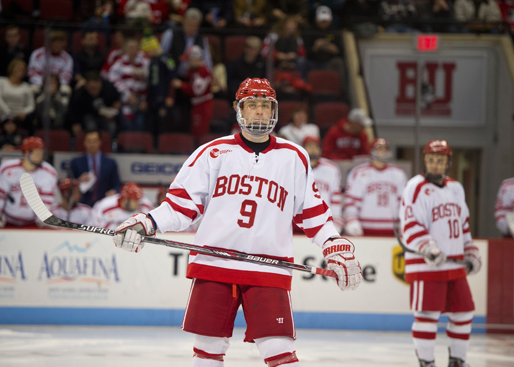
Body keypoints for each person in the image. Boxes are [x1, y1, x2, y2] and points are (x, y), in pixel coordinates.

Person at [112, 77, 362, 366]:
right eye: (252, 105)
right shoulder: (212, 153)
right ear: (238, 109)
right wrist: (147, 222)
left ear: (274, 110)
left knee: (280, 349)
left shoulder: (294, 157)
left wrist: (334, 244)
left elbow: (314, 215)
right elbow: (180, 207)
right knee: (208, 347)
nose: (259, 112)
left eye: (265, 106)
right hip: (215, 265)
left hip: (268, 267)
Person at [399, 139, 482, 367]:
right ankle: (427, 362)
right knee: (427, 315)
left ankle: (457, 360)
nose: (435, 165)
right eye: (431, 160)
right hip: (426, 264)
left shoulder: (456, 187)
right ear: (425, 161)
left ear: (448, 162)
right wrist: (428, 247)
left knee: (464, 312)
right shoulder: (415, 186)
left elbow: (463, 225)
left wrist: (470, 250)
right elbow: (410, 224)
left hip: (454, 265)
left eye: (440, 160)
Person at [343, 138, 407, 236]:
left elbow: (404, 203)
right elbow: (351, 203)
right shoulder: (358, 173)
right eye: (379, 149)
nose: (383, 152)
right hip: (365, 232)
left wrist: (404, 224)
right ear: (371, 151)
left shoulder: (399, 174)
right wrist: (352, 222)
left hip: (392, 233)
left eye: (385, 149)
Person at [0, 136, 58, 227]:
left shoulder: (49, 173)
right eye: (37, 153)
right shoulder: (7, 168)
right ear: (26, 152)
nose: (40, 156)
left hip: (31, 223)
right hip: (7, 221)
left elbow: (46, 200)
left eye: (41, 152)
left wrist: (43, 219)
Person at [170, 45, 213, 140]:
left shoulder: (203, 71)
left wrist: (181, 85)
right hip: (197, 105)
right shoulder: (195, 71)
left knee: (200, 133)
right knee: (195, 130)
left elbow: (197, 90)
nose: (187, 63)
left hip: (202, 106)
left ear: (195, 59)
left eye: (189, 60)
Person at [70, 129, 121, 206]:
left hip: (103, 203)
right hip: (81, 204)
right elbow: (68, 184)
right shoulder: (76, 162)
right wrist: (78, 181)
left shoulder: (110, 163)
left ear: (100, 142)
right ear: (84, 143)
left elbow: (117, 184)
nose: (92, 144)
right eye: (89, 141)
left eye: (94, 141)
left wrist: (113, 191)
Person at [107, 36, 149, 131]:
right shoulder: (119, 63)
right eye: (130, 47)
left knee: (140, 126)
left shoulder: (145, 62)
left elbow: (151, 80)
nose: (132, 50)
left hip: (141, 101)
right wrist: (127, 94)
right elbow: (112, 79)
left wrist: (144, 77)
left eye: (135, 47)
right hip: (125, 101)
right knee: (127, 126)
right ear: (125, 49)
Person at [304, 135, 343, 233]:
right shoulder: (294, 167)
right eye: (309, 146)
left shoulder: (332, 169)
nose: (313, 150)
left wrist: (336, 221)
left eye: (316, 147)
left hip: (324, 222)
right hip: (299, 222)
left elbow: (335, 198)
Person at [67, 71, 121, 137]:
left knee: (112, 126)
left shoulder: (108, 87)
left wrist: (113, 112)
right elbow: (73, 112)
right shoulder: (79, 94)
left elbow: (117, 102)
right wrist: (76, 127)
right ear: (86, 85)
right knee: (91, 126)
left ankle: (108, 145)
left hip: (106, 115)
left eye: (98, 88)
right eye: (92, 88)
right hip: (88, 115)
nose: (95, 91)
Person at [27, 30, 73, 95]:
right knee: (32, 89)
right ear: (50, 43)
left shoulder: (67, 58)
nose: (59, 45)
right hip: (39, 85)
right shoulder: (37, 54)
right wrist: (44, 84)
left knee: (66, 90)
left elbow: (66, 76)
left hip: (58, 87)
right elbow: (33, 73)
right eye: (56, 42)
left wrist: (55, 85)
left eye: (61, 42)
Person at [0, 59, 35, 124]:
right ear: (11, 68)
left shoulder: (26, 86)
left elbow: (31, 106)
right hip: (1, 118)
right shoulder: (0, 81)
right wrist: (8, 113)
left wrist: (24, 112)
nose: (20, 70)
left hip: (19, 119)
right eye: (18, 67)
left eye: (23, 69)